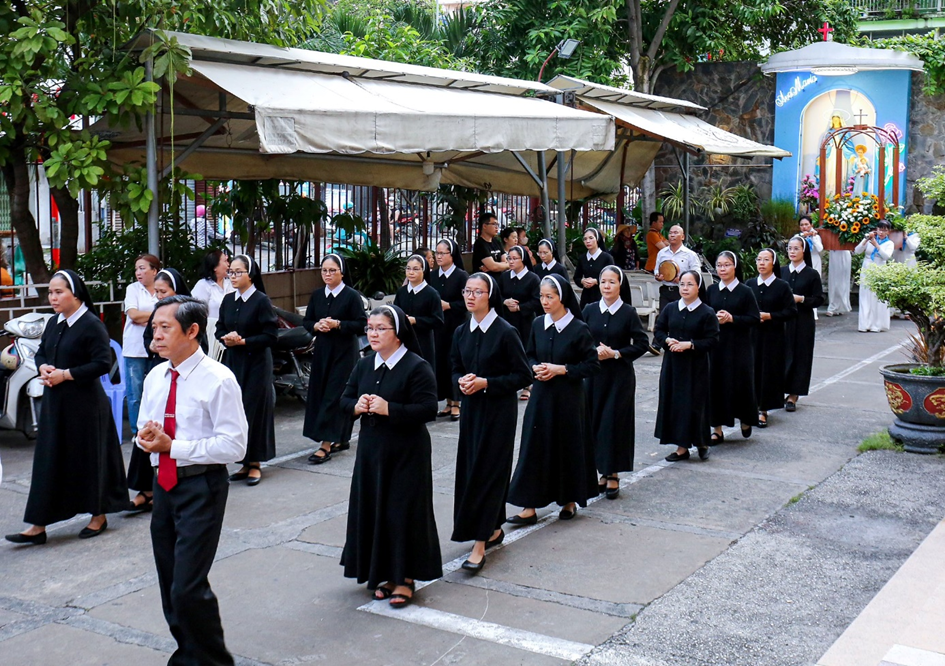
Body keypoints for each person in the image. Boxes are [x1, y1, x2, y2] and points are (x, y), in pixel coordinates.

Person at [136, 295, 248, 665]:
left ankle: (214, 661)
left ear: (192, 330)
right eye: (154, 327)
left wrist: (174, 446)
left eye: (165, 327)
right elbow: (144, 427)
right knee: (170, 583)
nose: (156, 335)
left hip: (201, 486)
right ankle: (188, 654)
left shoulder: (218, 379)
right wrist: (146, 438)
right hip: (164, 485)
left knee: (187, 586)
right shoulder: (156, 376)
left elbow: (234, 445)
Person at [6, 270, 126, 545]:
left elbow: (102, 364)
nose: (53, 297)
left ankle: (98, 515)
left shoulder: (91, 324)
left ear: (76, 294)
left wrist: (66, 374)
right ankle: (38, 525)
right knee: (50, 460)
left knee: (88, 459)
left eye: (59, 292)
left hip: (85, 406)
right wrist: (43, 368)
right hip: (56, 403)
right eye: (51, 292)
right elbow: (42, 353)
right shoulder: (54, 322)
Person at [340, 305, 441, 608]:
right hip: (371, 451)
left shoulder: (416, 366)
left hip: (407, 452)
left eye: (380, 328)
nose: (373, 334)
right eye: (370, 328)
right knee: (376, 510)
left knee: (402, 512)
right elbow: (344, 399)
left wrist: (390, 409)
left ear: (398, 333)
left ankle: (406, 578)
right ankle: (385, 574)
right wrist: (356, 406)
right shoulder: (364, 365)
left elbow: (428, 409)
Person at [451, 273, 531, 572]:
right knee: (471, 469)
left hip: (498, 413)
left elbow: (523, 375)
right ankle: (493, 527)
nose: (470, 297)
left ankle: (480, 543)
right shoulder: (461, 331)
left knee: (489, 472)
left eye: (477, 292)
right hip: (472, 411)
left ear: (490, 296)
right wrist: (461, 382)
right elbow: (454, 367)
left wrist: (487, 383)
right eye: (467, 291)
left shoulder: (506, 332)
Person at [507, 273, 600, 523]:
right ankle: (529, 505)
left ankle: (569, 500)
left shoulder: (578, 328)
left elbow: (592, 365)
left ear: (562, 297)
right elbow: (529, 354)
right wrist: (535, 367)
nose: (545, 301)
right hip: (541, 396)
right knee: (534, 447)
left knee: (567, 446)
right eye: (542, 296)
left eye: (550, 296)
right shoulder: (538, 324)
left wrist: (562, 369)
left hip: (568, 398)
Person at [128, 268, 203, 514]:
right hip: (158, 369)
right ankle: (146, 489)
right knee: (149, 428)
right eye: (157, 292)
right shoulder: (158, 315)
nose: (159, 297)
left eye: (163, 292)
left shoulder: (186, 315)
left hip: (182, 374)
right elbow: (147, 338)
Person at [583, 266, 648, 499]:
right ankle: (601, 469)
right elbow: (579, 340)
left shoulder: (628, 312)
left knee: (614, 424)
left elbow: (642, 344)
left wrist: (617, 353)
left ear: (620, 285)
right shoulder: (589, 310)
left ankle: (613, 473)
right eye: (603, 281)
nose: (607, 286)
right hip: (594, 376)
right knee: (595, 422)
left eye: (612, 282)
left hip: (619, 377)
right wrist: (593, 351)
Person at [215, 255, 278, 485]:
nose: (232, 276)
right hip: (234, 361)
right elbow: (219, 328)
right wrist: (226, 338)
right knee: (237, 411)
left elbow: (270, 335)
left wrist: (244, 341)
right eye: (230, 272)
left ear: (250, 275)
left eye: (237, 272)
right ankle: (243, 461)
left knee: (254, 410)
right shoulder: (228, 300)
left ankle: (255, 463)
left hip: (257, 363)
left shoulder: (261, 301)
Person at [303, 254, 367, 464]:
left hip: (344, 353)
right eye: (324, 270)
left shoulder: (351, 296)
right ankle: (340, 437)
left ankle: (325, 444)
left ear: (342, 272)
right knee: (321, 393)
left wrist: (338, 324)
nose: (328, 274)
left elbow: (360, 324)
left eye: (332, 270)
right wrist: (316, 325)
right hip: (323, 352)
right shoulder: (317, 295)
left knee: (335, 395)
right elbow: (307, 320)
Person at [653, 270, 719, 462]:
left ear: (698, 287)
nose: (685, 288)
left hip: (696, 366)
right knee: (677, 404)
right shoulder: (671, 308)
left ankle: (701, 442)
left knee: (696, 404)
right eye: (682, 284)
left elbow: (712, 340)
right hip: (673, 365)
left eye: (690, 284)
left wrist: (690, 345)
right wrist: (667, 340)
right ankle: (681, 447)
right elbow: (659, 330)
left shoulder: (707, 312)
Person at [705, 252, 760, 443]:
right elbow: (705, 314)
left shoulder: (745, 291)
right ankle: (717, 428)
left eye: (726, 265)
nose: (722, 269)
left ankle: (745, 419)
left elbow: (754, 318)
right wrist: (714, 319)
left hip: (739, 346)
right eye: (719, 265)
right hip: (717, 346)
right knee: (716, 384)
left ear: (735, 267)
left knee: (741, 383)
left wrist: (732, 318)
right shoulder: (712, 290)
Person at [748, 249, 797, 428]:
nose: (761, 263)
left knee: (768, 372)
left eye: (766, 260)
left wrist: (770, 316)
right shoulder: (750, 284)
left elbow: (791, 311)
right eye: (759, 259)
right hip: (752, 335)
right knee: (751, 370)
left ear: (773, 263)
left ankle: (763, 410)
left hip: (773, 336)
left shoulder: (782, 286)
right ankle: (750, 407)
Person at [782, 236, 824, 412]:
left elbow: (819, 299)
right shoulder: (782, 272)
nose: (792, 252)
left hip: (803, 320)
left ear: (803, 251)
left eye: (796, 248)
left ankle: (794, 394)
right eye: (790, 248)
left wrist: (802, 299)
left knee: (801, 356)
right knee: (782, 354)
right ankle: (779, 389)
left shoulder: (811, 274)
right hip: (783, 320)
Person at [123, 253, 161, 442]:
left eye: (142, 268)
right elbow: (134, 315)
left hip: (157, 348)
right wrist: (157, 316)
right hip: (135, 348)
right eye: (137, 269)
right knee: (135, 392)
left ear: (154, 271)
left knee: (156, 390)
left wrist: (147, 317)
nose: (138, 272)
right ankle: (137, 430)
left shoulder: (162, 288)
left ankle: (155, 428)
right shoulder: (133, 289)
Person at [431, 239, 468, 422]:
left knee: (453, 362)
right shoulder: (432, 276)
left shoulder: (462, 276)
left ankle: (456, 402)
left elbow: (467, 302)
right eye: (436, 253)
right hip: (439, 327)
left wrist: (450, 306)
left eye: (442, 253)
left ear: (451, 255)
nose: (438, 257)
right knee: (441, 363)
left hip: (456, 325)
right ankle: (447, 401)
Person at [498, 246, 541, 400]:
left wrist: (520, 307)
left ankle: (527, 384)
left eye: (514, 258)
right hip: (507, 320)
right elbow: (497, 296)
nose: (511, 261)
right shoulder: (504, 277)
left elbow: (537, 301)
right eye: (509, 258)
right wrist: (505, 302)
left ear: (522, 259)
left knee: (524, 351)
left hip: (525, 321)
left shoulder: (532, 278)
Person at [394, 254, 444, 373]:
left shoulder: (431, 294)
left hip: (423, 342)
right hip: (404, 341)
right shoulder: (401, 292)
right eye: (408, 268)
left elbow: (438, 321)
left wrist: (415, 320)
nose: (411, 272)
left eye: (416, 269)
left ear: (424, 271)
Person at [854, 221, 895, 333]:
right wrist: (866, 239)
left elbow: (886, 256)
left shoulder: (889, 243)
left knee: (876, 297)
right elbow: (857, 251)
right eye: (880, 229)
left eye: (884, 230)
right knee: (865, 295)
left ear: (888, 232)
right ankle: (864, 324)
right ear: (876, 229)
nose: (881, 232)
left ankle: (877, 324)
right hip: (867, 268)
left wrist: (876, 244)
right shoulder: (869, 239)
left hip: (880, 268)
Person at [653, 225, 701, 313]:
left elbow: (697, 274)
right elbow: (656, 269)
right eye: (670, 233)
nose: (672, 235)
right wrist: (658, 276)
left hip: (682, 291)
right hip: (665, 291)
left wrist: (682, 280)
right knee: (664, 316)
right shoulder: (662, 253)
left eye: (675, 233)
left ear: (682, 237)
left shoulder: (690, 254)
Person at [573, 227, 614, 308]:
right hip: (586, 298)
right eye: (585, 239)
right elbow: (576, 277)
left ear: (597, 239)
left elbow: (612, 278)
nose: (588, 241)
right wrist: (582, 281)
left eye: (591, 238)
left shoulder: (607, 258)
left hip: (603, 297)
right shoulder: (582, 258)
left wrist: (596, 281)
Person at [191, 250, 234, 319]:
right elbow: (195, 311)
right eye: (225, 261)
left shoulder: (231, 284)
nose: (228, 264)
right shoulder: (203, 285)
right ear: (215, 267)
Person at [472, 211, 509, 277]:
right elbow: (493, 267)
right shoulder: (480, 244)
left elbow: (506, 261)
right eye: (494, 224)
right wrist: (495, 266)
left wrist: (492, 267)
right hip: (484, 280)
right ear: (484, 226)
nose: (496, 227)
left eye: (497, 225)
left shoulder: (497, 241)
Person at [824, 250, 852, 317]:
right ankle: (832, 306)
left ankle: (841, 307)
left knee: (843, 281)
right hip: (834, 253)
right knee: (834, 281)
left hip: (845, 253)